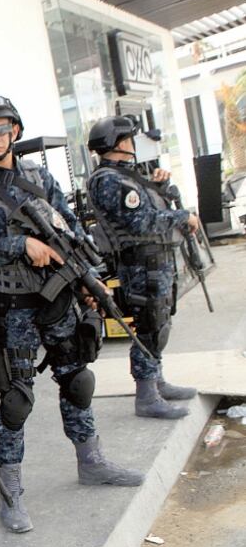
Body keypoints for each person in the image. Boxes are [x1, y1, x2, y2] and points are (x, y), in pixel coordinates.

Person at [0, 95, 144, 535]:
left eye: (2, 129)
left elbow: (71, 229)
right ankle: (10, 489)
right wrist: (20, 246)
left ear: (15, 130)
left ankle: (91, 460)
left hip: (58, 302)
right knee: (16, 401)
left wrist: (87, 283)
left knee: (78, 381)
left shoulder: (40, 176)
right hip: (13, 307)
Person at [85, 115, 200, 419]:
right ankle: (147, 395)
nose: (134, 144)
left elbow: (146, 210)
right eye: (131, 139)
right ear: (121, 142)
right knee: (149, 326)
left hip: (155, 260)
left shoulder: (127, 176)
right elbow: (139, 222)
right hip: (141, 263)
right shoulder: (108, 179)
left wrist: (159, 187)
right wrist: (182, 217)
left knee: (160, 321)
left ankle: (157, 381)